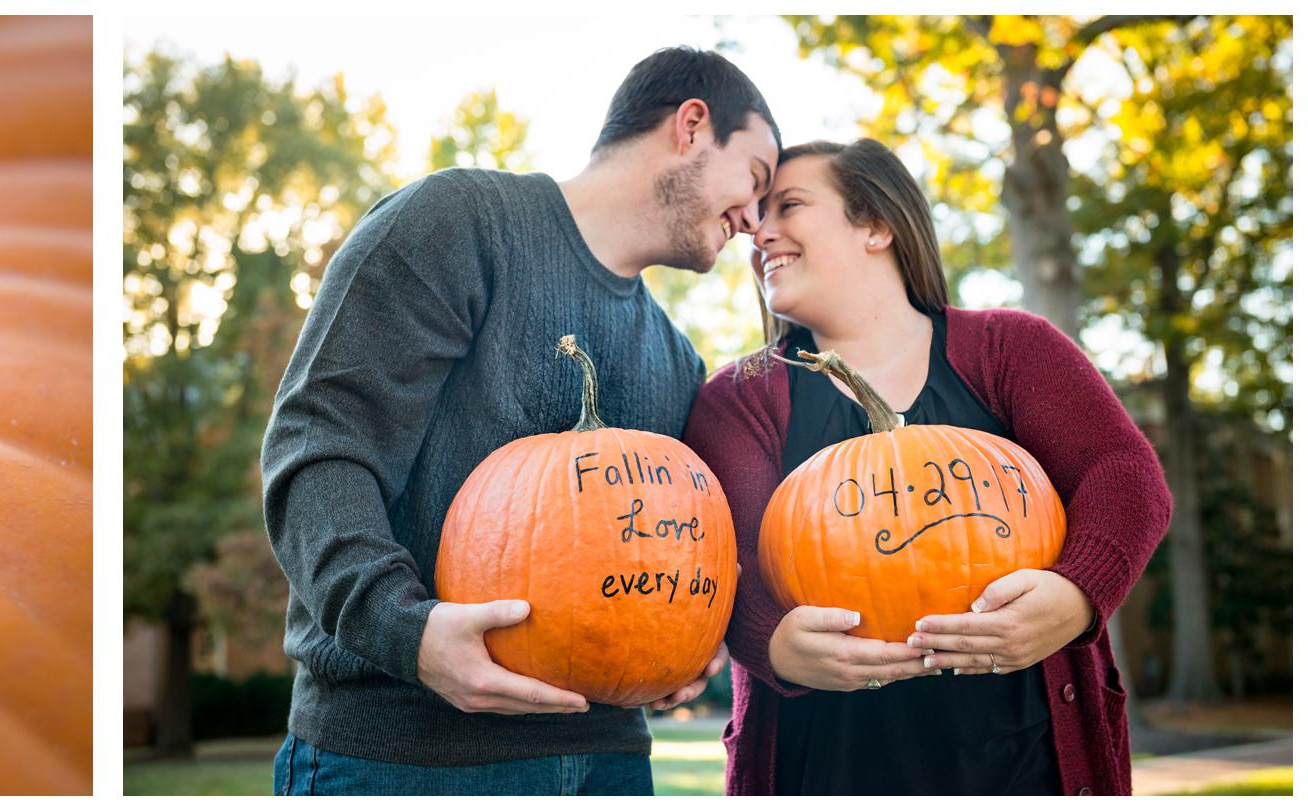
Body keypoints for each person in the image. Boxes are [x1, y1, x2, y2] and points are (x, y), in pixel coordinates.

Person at [257, 46, 779, 796]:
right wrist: (411, 631)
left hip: (612, 762)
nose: (755, 219)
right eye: (755, 180)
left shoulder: (677, 359)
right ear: (692, 125)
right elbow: (319, 446)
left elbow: (677, 539)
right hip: (403, 757)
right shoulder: (460, 224)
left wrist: (690, 635)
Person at [682, 138, 1171, 795]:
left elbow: (1123, 473)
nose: (758, 232)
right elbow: (721, 561)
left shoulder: (1011, 349)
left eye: (787, 205)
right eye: (755, 215)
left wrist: (1078, 593)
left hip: (1025, 768)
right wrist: (770, 641)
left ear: (877, 224)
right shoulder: (738, 398)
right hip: (823, 772)